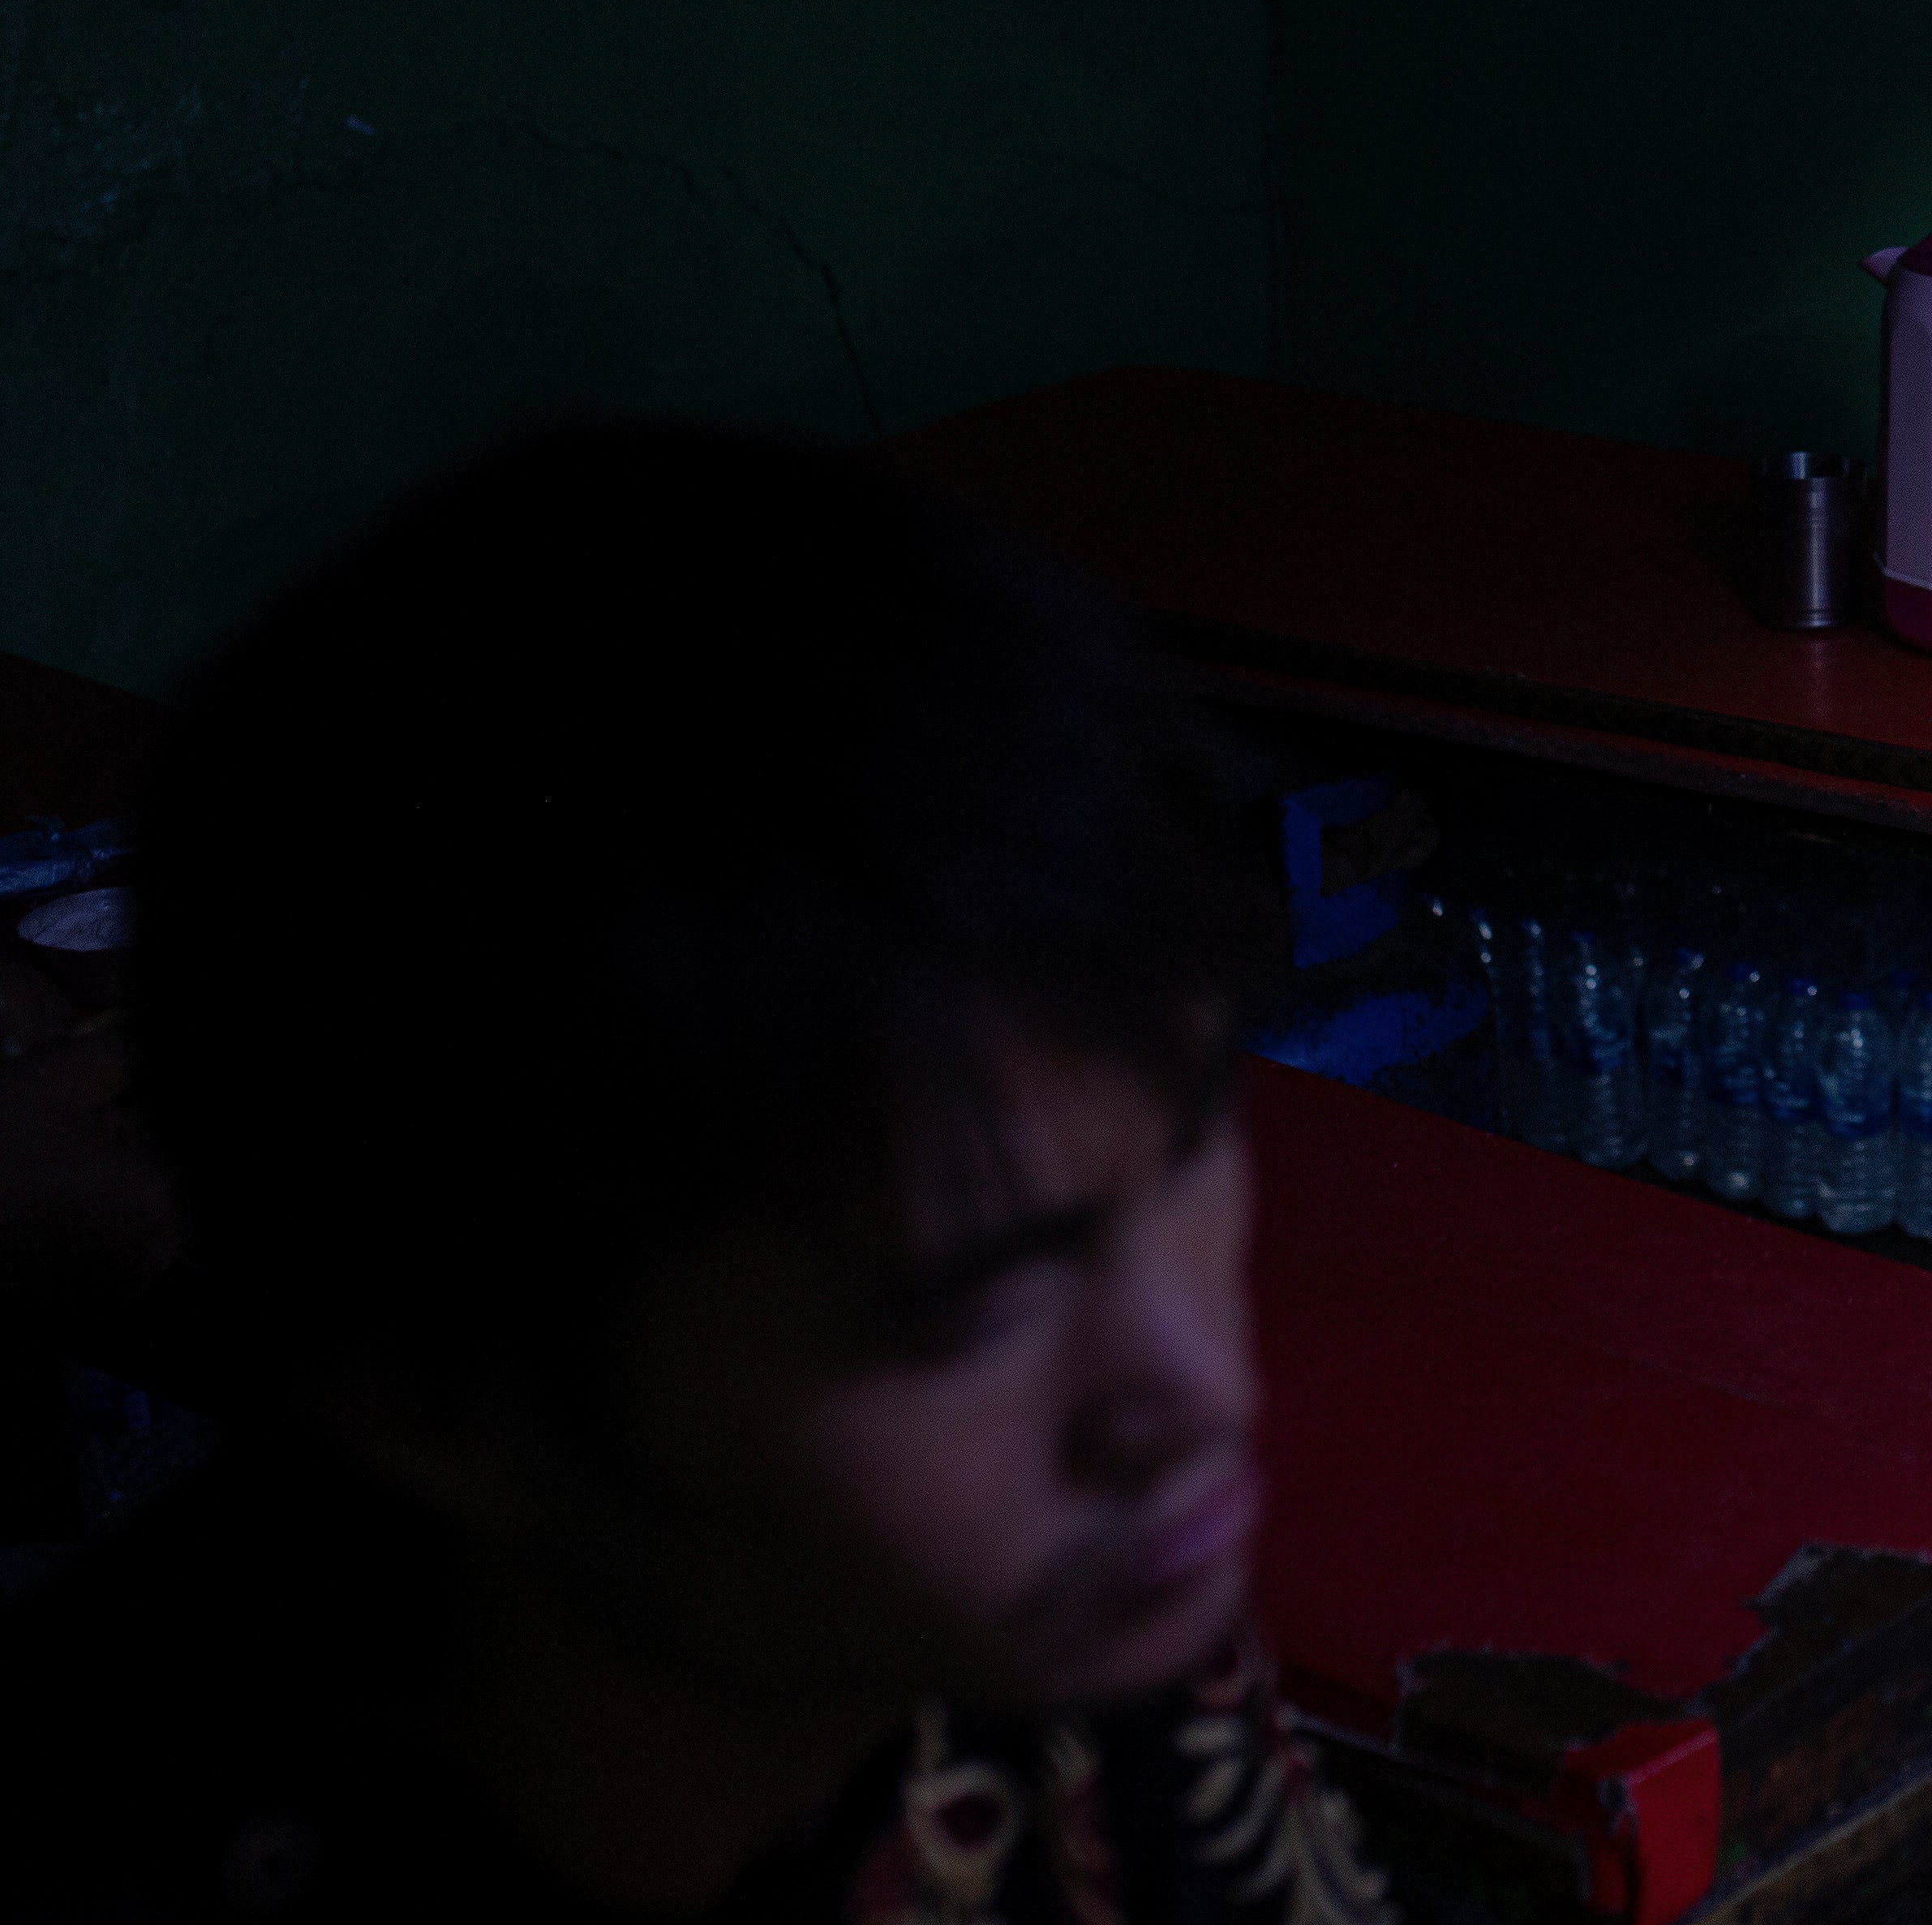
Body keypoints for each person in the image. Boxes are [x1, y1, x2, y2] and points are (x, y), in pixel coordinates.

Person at [0, 428, 1392, 1924]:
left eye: (1189, 1149)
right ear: (448, 1398)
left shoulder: (1050, 1621)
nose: (1191, 1397)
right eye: (970, 1312)